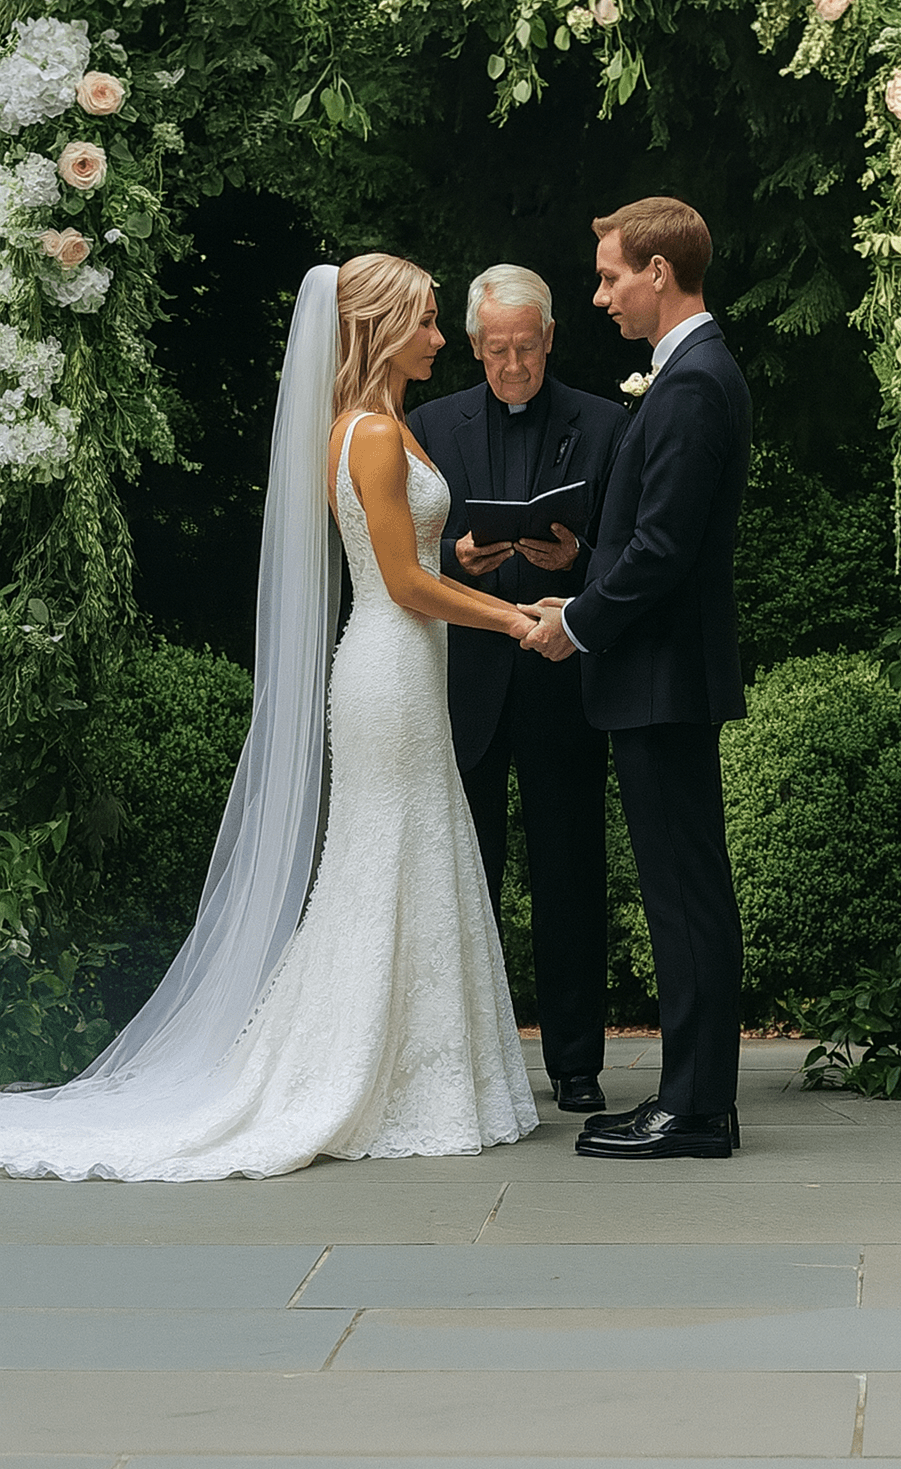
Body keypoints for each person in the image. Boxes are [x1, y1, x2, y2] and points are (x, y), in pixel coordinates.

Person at [0, 256, 538, 1182]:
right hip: (389, 664)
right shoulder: (374, 433)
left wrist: (464, 563)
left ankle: (413, 1072)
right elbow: (402, 585)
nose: (438, 338)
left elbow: (409, 561)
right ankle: (361, 1074)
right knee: (383, 859)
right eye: (424, 322)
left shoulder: (375, 426)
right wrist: (517, 618)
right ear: (378, 328)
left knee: (406, 855)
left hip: (403, 664)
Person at [520, 197, 750, 1160]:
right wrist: (581, 567)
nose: (601, 294)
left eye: (612, 276)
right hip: (660, 677)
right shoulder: (689, 372)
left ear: (660, 272)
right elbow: (649, 539)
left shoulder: (691, 383)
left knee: (685, 893)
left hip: (662, 679)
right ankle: (694, 1100)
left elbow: (663, 550)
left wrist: (576, 623)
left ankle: (693, 1110)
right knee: (683, 888)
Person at [408, 266, 627, 1112]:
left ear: (551, 338)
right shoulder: (430, 423)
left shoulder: (604, 423)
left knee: (570, 875)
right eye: (497, 350)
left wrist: (579, 559)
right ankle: (470, 1063)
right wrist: (454, 558)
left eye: (526, 349)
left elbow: (632, 552)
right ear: (474, 345)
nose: (512, 366)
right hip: (465, 678)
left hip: (560, 679)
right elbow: (399, 550)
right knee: (465, 879)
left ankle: (576, 1065)